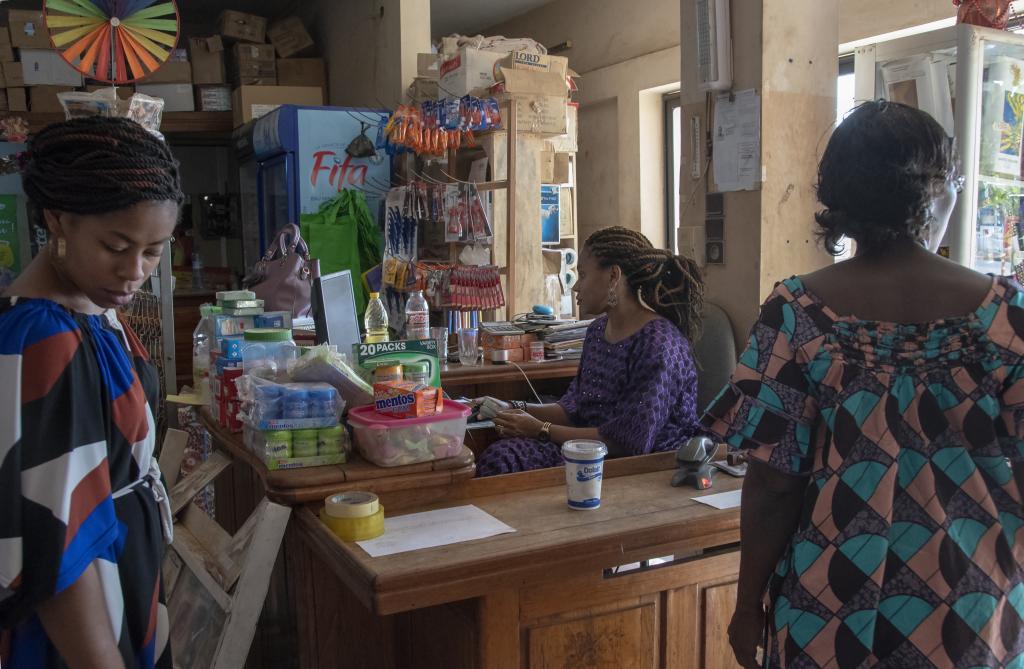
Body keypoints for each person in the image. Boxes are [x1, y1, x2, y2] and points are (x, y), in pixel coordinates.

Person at [702, 100, 1024, 668]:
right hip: (973, 613)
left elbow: (775, 483)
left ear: (838, 200)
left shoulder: (796, 312)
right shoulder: (1008, 315)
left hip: (828, 606)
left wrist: (748, 603)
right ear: (938, 191)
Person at [0, 117, 183, 668]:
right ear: (57, 220)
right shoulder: (45, 337)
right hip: (84, 630)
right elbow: (58, 536)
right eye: (116, 246)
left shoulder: (93, 306)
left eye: (153, 252)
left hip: (124, 587)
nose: (134, 273)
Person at [474, 226, 704, 476]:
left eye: (582, 275)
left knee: (504, 462)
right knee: (500, 455)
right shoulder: (597, 331)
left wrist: (540, 429)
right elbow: (573, 409)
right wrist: (508, 407)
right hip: (586, 449)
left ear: (614, 276)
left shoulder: (659, 344)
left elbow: (629, 442)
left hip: (641, 463)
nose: (576, 288)